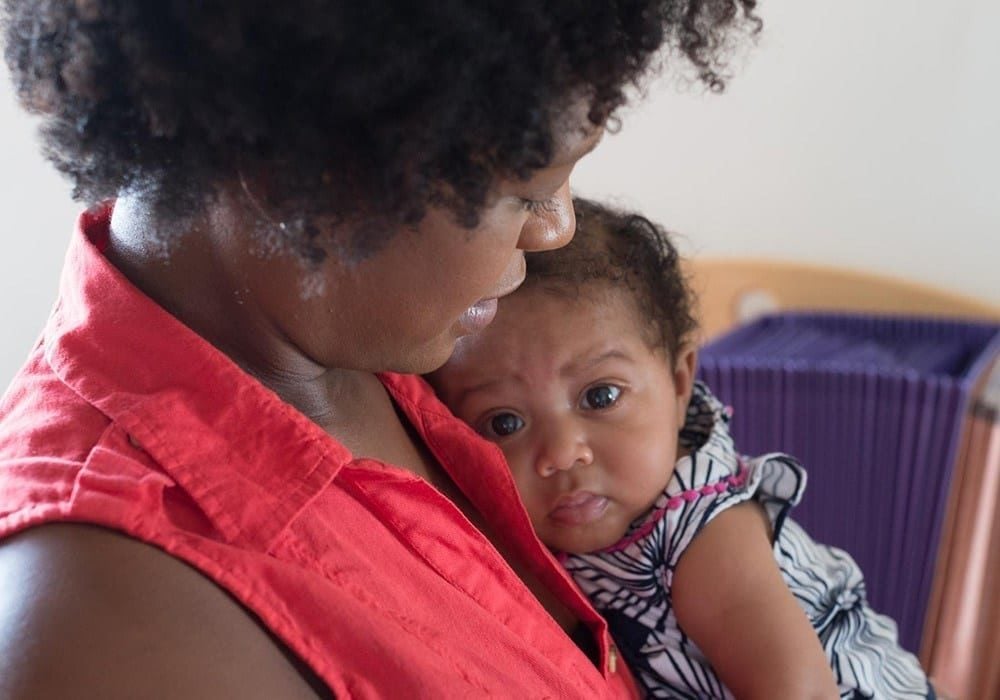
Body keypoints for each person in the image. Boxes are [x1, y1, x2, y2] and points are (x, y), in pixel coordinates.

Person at [0, 3, 762, 697]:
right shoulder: (107, 629)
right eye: (525, 192)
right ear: (301, 177)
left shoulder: (400, 338)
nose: (555, 228)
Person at [428, 198, 935, 699]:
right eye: (505, 421)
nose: (561, 452)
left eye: (600, 396)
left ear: (678, 381)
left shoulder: (700, 531)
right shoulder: (541, 541)